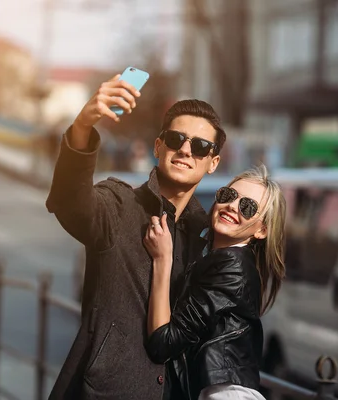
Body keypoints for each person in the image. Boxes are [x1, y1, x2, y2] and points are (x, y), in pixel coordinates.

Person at [46, 74, 226, 400]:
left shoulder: (208, 237)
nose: (186, 150)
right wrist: (84, 124)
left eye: (200, 146)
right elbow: (70, 203)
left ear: (213, 163)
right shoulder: (119, 205)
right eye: (175, 139)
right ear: (158, 146)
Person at [143, 165, 287, 400]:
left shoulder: (231, 267)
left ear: (262, 230)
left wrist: (162, 258)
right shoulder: (224, 261)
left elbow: (163, 343)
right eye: (228, 195)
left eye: (247, 207)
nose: (232, 206)